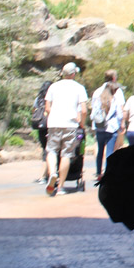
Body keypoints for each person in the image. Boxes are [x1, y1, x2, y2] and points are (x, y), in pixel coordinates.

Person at [43, 62, 88, 196]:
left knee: (51, 151)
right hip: (71, 124)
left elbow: (47, 108)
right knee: (66, 154)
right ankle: (61, 187)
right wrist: (82, 124)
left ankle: (52, 174)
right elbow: (84, 110)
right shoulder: (79, 88)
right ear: (73, 73)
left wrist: (56, 114)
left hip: (54, 123)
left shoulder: (53, 86)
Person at [91, 69, 125, 181]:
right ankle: (108, 172)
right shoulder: (116, 92)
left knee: (100, 149)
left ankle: (98, 173)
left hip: (99, 126)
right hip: (111, 127)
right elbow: (120, 112)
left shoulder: (97, 92)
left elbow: (93, 110)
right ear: (114, 78)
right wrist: (122, 124)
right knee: (110, 151)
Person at [30, 80, 52, 184]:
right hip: (51, 126)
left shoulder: (38, 99)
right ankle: (46, 175)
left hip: (41, 127)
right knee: (51, 150)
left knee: (45, 149)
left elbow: (34, 111)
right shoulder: (52, 98)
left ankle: (45, 175)